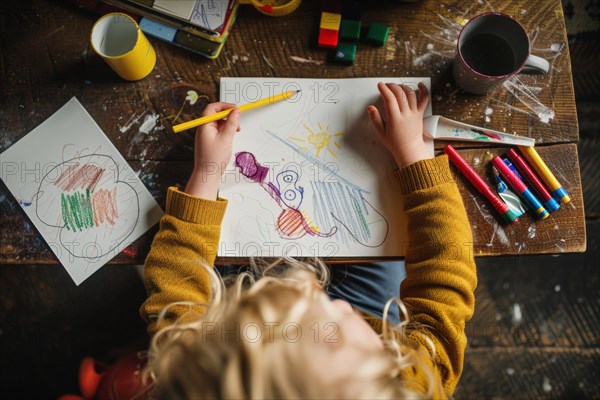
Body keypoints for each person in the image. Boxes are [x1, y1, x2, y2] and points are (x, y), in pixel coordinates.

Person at [140, 82, 477, 399]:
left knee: (253, 261)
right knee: (382, 256)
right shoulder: (418, 382)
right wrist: (415, 156)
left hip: (240, 303)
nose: (338, 304)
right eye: (339, 322)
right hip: (376, 313)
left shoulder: (197, 371)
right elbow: (446, 273)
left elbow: (175, 299)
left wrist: (206, 174)